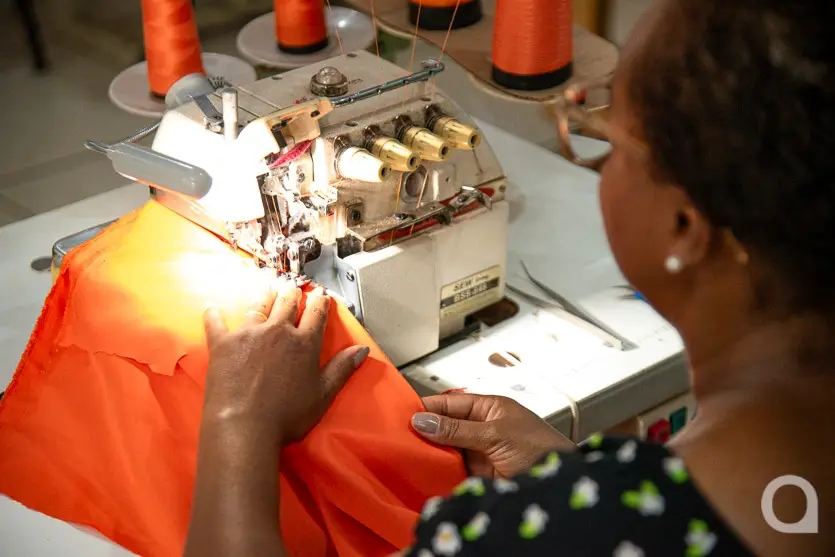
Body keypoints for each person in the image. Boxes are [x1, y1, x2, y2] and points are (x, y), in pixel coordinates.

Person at [183, 1, 834, 556]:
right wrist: (576, 475)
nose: (596, 146)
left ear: (684, 227)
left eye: (605, 131)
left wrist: (238, 424)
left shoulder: (521, 535)